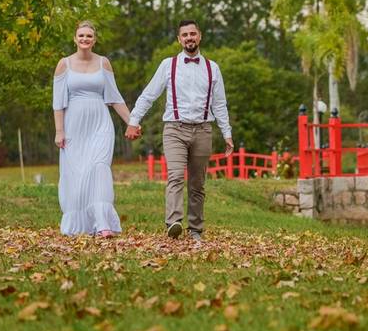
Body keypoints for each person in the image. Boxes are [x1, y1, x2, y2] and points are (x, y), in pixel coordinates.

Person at [126, 20, 234, 242]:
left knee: (197, 183)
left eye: (192, 33)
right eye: (184, 35)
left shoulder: (212, 68)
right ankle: (173, 222)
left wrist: (227, 134)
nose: (189, 38)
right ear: (179, 39)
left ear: (200, 36)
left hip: (203, 130)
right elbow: (149, 95)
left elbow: (220, 104)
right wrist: (133, 120)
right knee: (175, 176)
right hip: (175, 129)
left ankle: (195, 229)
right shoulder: (168, 65)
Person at [53, 21, 133, 237]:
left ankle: (103, 222)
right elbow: (58, 102)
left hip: (100, 123)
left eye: (89, 36)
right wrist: (59, 131)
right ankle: (80, 223)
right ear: (75, 39)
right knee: (78, 173)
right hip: (74, 125)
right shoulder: (64, 64)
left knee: (99, 167)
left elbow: (114, 97)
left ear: (94, 40)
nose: (85, 39)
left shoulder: (103, 63)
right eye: (81, 35)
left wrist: (132, 121)